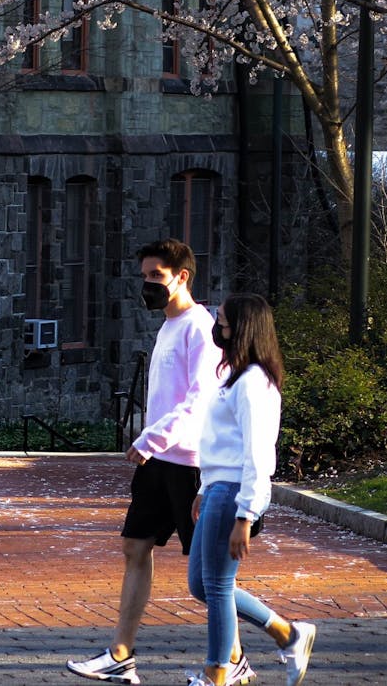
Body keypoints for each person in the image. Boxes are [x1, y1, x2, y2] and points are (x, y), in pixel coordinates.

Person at [69, 239, 227, 686]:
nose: (148, 284)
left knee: (209, 574)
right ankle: (121, 655)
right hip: (157, 461)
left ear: (182, 277)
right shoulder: (167, 327)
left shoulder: (200, 327)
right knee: (135, 547)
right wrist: (151, 442)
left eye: (156, 276)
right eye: (144, 277)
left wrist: (151, 437)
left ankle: (260, 642)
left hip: (189, 463)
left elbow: (200, 399)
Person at [186, 294, 316, 686]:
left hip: (234, 495)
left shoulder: (255, 383)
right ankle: (288, 634)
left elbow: (259, 454)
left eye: (223, 321)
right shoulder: (234, 378)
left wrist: (246, 514)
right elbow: (220, 442)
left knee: (218, 586)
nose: (217, 326)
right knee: (201, 584)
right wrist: (204, 487)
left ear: (242, 328)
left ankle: (218, 672)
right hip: (217, 490)